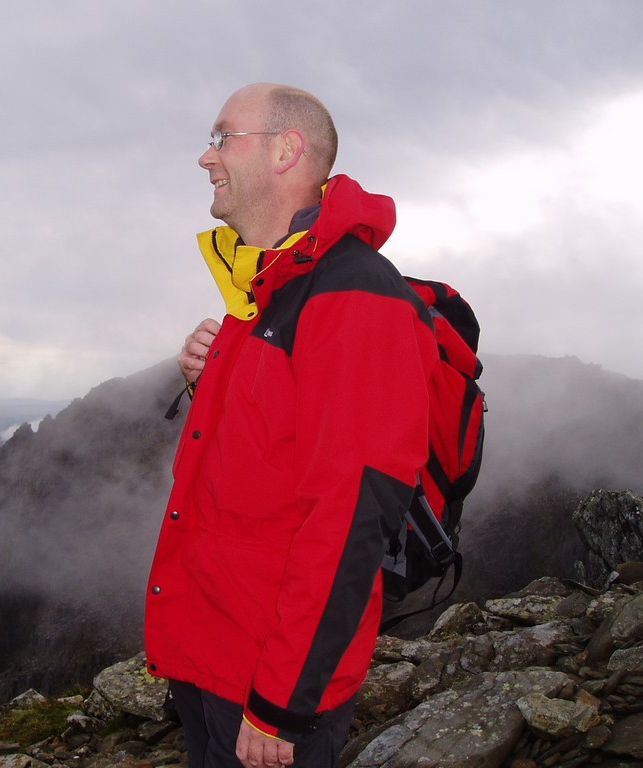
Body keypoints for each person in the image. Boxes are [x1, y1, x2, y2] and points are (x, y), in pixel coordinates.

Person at [144, 83, 439, 768]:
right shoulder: (267, 286)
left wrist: (283, 703)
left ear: (286, 150)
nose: (205, 157)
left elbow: (352, 515)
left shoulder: (354, 296)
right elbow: (254, 465)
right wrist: (205, 381)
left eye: (222, 138)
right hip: (213, 658)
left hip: (268, 685)